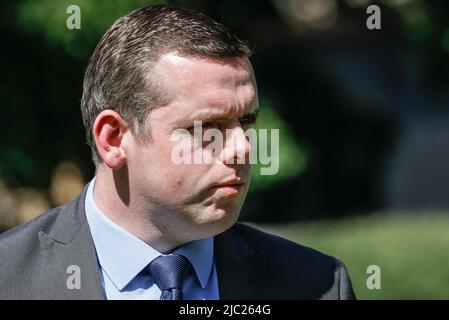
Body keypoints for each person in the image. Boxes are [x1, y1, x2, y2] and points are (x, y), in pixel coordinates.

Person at [0, 4, 355, 300]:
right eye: (207, 127)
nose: (243, 148)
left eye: (246, 122)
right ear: (113, 139)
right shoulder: (9, 278)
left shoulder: (316, 285)